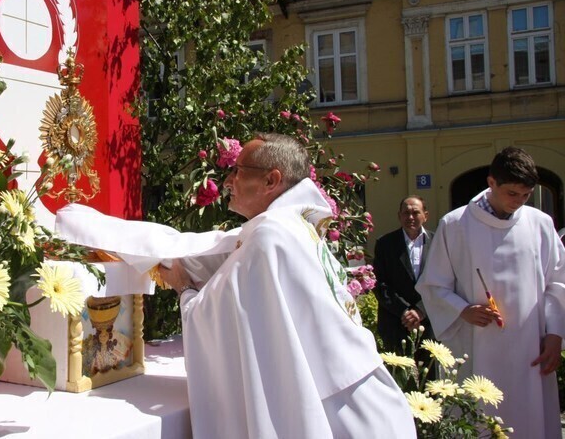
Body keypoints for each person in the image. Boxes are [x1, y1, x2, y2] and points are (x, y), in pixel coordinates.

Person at [157, 134, 415, 439]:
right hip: (364, 399)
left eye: (237, 170)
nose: (227, 181)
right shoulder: (292, 227)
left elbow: (213, 317)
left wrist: (183, 287)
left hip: (342, 415)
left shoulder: (271, 236)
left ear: (271, 180)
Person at [417, 146, 565, 438]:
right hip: (477, 347)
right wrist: (462, 309)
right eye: (512, 193)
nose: (519, 202)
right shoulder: (456, 224)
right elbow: (433, 284)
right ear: (491, 182)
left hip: (531, 349)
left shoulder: (540, 224)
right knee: (479, 422)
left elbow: (557, 283)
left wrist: (555, 334)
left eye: (525, 195)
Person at [372, 196, 435, 354]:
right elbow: (380, 284)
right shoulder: (385, 244)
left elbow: (443, 282)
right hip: (395, 323)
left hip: (428, 323)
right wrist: (405, 312)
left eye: (416, 212)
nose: (410, 217)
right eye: (406, 213)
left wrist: (421, 310)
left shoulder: (438, 243)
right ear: (399, 216)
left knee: (429, 377)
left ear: (425, 215)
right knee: (398, 376)